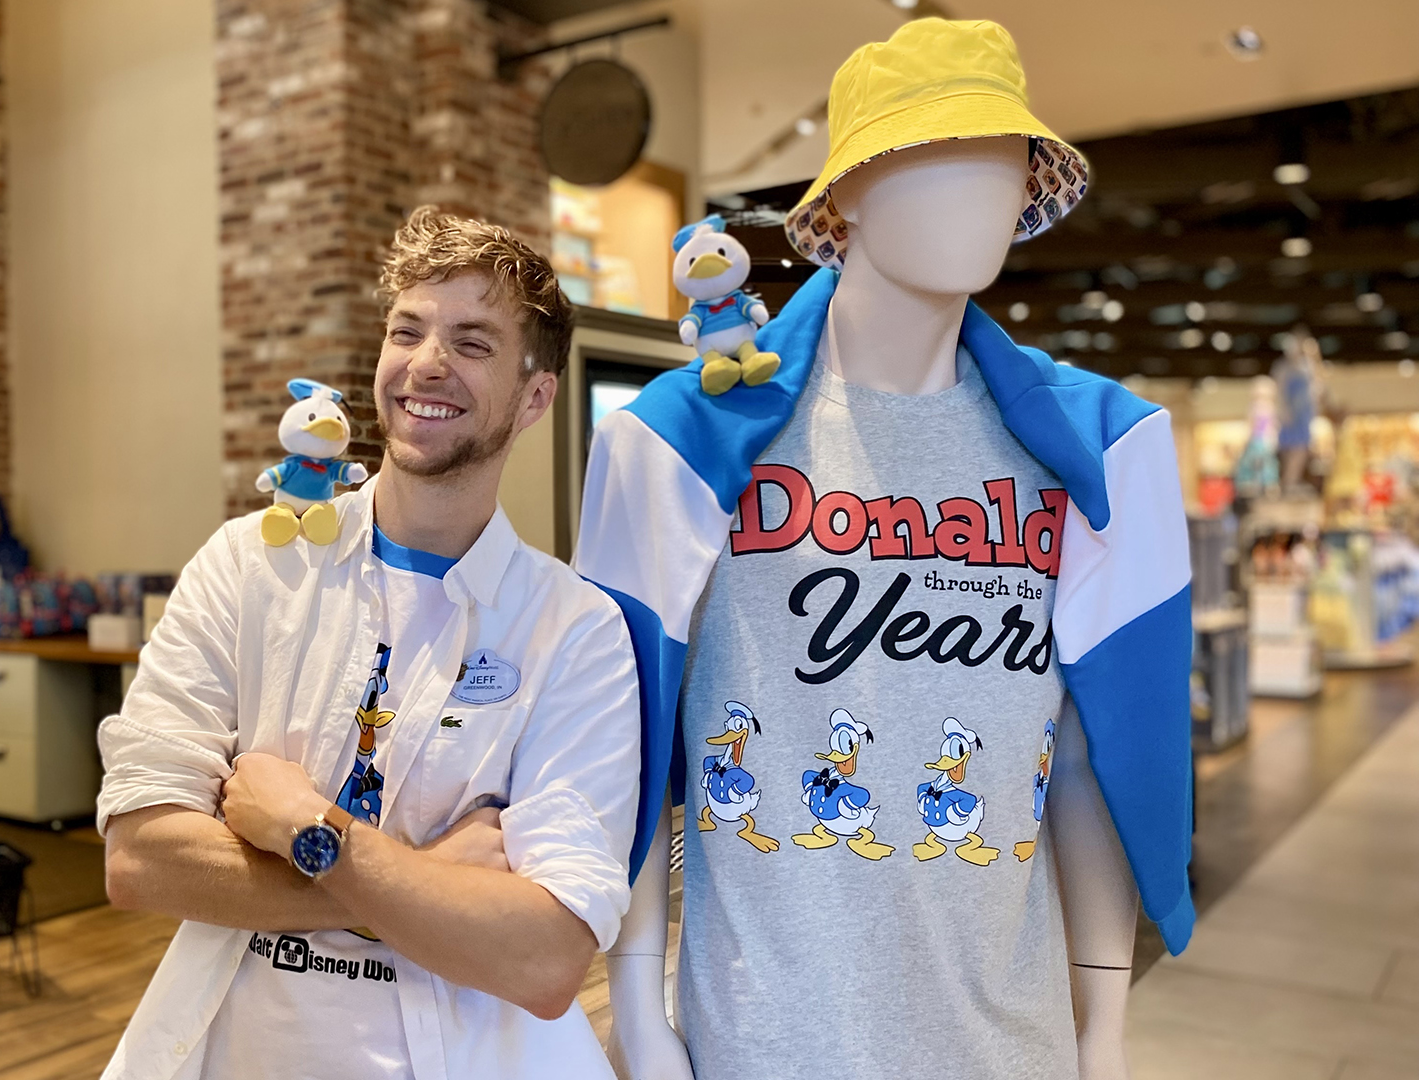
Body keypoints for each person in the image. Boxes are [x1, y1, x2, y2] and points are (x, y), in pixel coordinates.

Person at [585, 19, 1192, 1080]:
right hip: (764, 1039)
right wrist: (638, 1011)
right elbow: (626, 741)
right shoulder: (679, 441)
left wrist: (1105, 1027)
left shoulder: (1100, 450)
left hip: (1014, 1040)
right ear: (846, 198)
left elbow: (1092, 761)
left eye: (1004, 160)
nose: (979, 189)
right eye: (932, 153)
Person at [96, 206, 642, 1080]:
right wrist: (422, 879)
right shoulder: (250, 565)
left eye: (471, 342)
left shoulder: (575, 630)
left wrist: (307, 828)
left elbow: (543, 959)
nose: (426, 363)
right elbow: (141, 859)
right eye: (407, 331)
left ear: (536, 396)